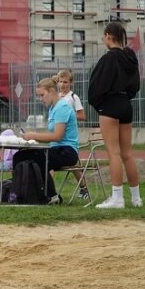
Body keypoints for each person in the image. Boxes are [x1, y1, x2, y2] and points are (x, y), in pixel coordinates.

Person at [88, 22, 142, 209]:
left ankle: (117, 197)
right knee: (128, 153)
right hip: (126, 104)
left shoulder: (108, 59)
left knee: (114, 153)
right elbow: (136, 85)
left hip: (110, 105)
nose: (103, 39)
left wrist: (97, 103)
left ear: (109, 36)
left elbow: (97, 85)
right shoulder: (131, 58)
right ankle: (136, 198)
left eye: (104, 36)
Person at [16, 77, 79, 204]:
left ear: (51, 91)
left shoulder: (62, 108)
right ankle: (18, 192)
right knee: (20, 156)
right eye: (38, 96)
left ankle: (50, 195)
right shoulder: (52, 108)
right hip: (56, 149)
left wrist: (34, 135)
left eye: (42, 95)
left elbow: (57, 136)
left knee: (38, 158)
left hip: (68, 151)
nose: (40, 99)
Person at [55, 69, 89, 199]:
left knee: (72, 163)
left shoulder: (73, 97)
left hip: (69, 136)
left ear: (71, 83)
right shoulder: (56, 96)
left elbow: (82, 115)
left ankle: (83, 188)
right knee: (49, 160)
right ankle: (49, 189)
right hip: (57, 134)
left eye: (65, 82)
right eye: (60, 81)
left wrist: (68, 116)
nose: (62, 85)